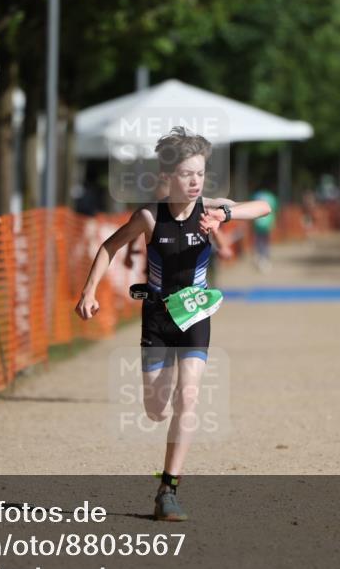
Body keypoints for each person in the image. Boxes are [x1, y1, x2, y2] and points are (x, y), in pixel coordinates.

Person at [75, 127, 271, 521]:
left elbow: (263, 208)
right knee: (155, 408)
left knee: (189, 397)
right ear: (167, 177)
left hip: (195, 314)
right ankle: (161, 424)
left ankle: (168, 488)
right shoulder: (149, 217)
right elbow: (110, 246)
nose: (196, 181)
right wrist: (89, 291)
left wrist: (225, 215)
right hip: (157, 318)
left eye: (200, 173)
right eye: (186, 174)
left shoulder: (210, 208)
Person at [250, 186, 278, 272]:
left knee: (258, 241)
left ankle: (260, 257)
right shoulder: (271, 196)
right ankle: (265, 258)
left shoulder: (256, 195)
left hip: (258, 222)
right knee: (266, 242)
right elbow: (274, 209)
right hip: (268, 222)